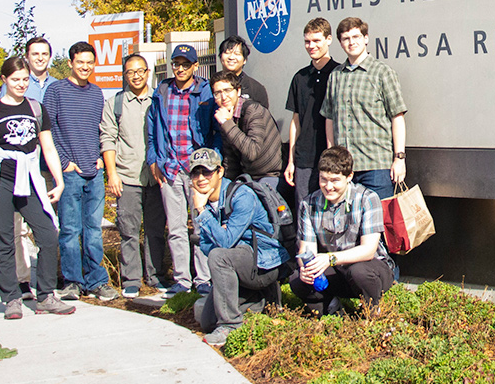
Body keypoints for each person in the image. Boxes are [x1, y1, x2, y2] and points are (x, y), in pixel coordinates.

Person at [0, 56, 74, 318]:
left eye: (25, 80)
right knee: (5, 239)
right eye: (15, 79)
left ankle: (46, 296)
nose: (20, 84)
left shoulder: (36, 109)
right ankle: (12, 299)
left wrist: (59, 180)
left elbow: (48, 147)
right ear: (4, 80)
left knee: (49, 235)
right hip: (0, 181)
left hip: (29, 179)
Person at [187, 148, 288, 346]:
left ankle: (231, 325)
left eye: (206, 172)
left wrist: (203, 213)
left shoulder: (241, 195)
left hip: (263, 265)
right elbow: (207, 245)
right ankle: (260, 299)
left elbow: (222, 244)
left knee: (220, 256)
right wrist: (220, 231)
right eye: (195, 172)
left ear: (220, 172)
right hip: (238, 265)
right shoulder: (204, 200)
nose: (201, 178)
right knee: (207, 322)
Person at [44, 41, 117, 301]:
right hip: (69, 173)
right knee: (70, 229)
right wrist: (64, 163)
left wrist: (100, 159)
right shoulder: (56, 91)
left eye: (89, 62)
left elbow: (102, 128)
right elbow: (48, 130)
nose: (85, 67)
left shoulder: (97, 93)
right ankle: (72, 282)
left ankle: (96, 281)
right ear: (71, 63)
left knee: (93, 229)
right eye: (80, 62)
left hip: (94, 172)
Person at [146, 43, 221, 295]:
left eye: (185, 64)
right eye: (176, 64)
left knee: (201, 225)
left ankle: (203, 279)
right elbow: (152, 127)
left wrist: (214, 160)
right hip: (170, 168)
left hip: (197, 170)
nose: (179, 68)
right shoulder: (163, 90)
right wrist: (153, 159)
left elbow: (216, 130)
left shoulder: (205, 91)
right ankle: (182, 280)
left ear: (195, 66)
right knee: (176, 228)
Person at [290, 146, 394, 316]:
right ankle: (332, 310)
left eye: (335, 180)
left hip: (372, 269)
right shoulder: (308, 204)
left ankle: (373, 311)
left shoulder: (368, 199)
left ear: (349, 177)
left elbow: (368, 250)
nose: (328, 186)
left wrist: (330, 259)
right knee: (296, 279)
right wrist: (306, 269)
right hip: (336, 269)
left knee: (359, 272)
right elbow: (305, 250)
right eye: (323, 179)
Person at [101, 54, 169, 298]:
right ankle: (131, 279)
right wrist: (112, 174)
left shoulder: (160, 99)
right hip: (127, 177)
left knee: (155, 229)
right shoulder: (115, 103)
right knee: (129, 230)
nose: (137, 75)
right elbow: (107, 139)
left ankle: (156, 275)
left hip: (156, 176)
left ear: (148, 72)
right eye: (131, 71)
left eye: (141, 70)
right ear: (124, 75)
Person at [321, 17, 408, 201]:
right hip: (344, 170)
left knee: (381, 225)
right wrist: (331, 157)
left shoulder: (382, 73)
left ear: (366, 38)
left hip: (376, 166)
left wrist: (399, 158)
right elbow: (329, 118)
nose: (351, 42)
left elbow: (397, 116)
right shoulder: (335, 76)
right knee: (350, 226)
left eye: (356, 36)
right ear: (340, 42)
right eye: (346, 38)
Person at [0, 36, 57, 300]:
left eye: (44, 53)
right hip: (15, 173)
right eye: (35, 53)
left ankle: (50, 283)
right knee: (17, 229)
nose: (40, 58)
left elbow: (51, 135)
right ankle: (22, 282)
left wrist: (59, 173)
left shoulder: (57, 86)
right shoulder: (13, 87)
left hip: (45, 167)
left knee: (49, 227)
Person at [284, 18, 339, 209]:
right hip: (304, 159)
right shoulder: (299, 78)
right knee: (304, 212)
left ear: (329, 39)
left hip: (331, 157)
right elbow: (295, 121)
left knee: (331, 214)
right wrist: (291, 161)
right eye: (307, 41)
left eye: (316, 40)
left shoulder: (339, 74)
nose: (311, 46)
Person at [212, 71, 282, 186]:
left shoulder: (253, 110)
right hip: (248, 177)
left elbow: (252, 152)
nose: (223, 97)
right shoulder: (225, 117)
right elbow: (230, 160)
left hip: (271, 176)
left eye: (227, 90)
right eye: (217, 93)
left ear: (238, 91)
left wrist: (227, 123)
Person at [218, 35, 270, 108]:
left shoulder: (256, 89)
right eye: (227, 53)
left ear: (244, 60)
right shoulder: (211, 86)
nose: (231, 57)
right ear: (220, 57)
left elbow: (263, 117)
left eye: (237, 54)